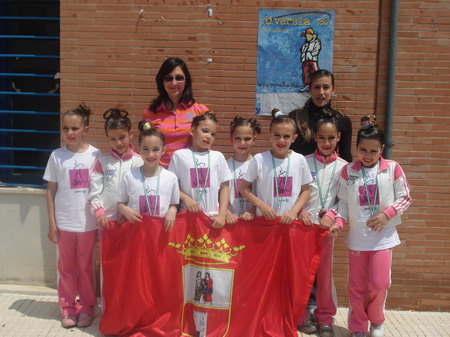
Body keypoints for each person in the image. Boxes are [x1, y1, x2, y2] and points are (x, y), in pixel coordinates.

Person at [334, 115, 412, 337]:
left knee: (379, 284)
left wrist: (387, 214)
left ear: (382, 149)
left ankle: (377, 321)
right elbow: (341, 202)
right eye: (363, 150)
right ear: (357, 148)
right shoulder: (348, 171)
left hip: (383, 238)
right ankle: (358, 326)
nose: (367, 156)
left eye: (373, 151)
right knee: (356, 287)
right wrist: (339, 221)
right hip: (358, 239)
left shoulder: (393, 168)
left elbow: (405, 197)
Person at [43, 104, 101, 328]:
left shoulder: (95, 154)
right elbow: (51, 191)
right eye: (66, 128)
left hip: (87, 223)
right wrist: (52, 223)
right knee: (66, 267)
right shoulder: (57, 156)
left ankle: (87, 307)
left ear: (86, 129)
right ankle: (67, 307)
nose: (70, 133)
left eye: (75, 128)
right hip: (64, 223)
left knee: (85, 266)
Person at [297, 113, 348, 337]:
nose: (326, 143)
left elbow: (344, 200)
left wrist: (333, 215)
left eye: (331, 138)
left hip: (326, 230)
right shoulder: (302, 162)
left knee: (324, 276)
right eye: (321, 138)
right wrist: (299, 211)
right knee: (301, 273)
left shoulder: (345, 167)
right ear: (314, 138)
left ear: (338, 137)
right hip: (303, 227)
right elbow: (294, 194)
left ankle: (325, 316)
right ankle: (301, 314)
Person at [239, 115, 312, 224]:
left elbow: (306, 190)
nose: (281, 140)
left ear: (294, 138)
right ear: (270, 136)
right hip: (264, 222)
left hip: (289, 223)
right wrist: (261, 205)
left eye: (286, 136)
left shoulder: (299, 159)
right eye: (277, 135)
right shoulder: (260, 159)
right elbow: (243, 187)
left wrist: (294, 211)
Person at [168, 111, 231, 228]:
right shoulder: (179, 155)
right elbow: (171, 185)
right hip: (187, 218)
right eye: (205, 131)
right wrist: (185, 198)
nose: (209, 136)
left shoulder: (218, 156)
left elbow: (224, 187)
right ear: (192, 130)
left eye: (213, 134)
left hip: (212, 219)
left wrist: (222, 214)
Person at [143, 57, 209, 167]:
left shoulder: (201, 111)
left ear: (186, 80)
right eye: (168, 78)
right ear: (162, 82)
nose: (174, 83)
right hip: (161, 174)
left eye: (179, 78)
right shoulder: (150, 113)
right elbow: (146, 146)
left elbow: (207, 144)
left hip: (192, 171)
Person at [117, 121, 179, 231]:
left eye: (155, 149)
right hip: (136, 232)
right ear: (139, 150)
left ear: (163, 150)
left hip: (160, 233)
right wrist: (126, 210)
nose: (150, 154)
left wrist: (172, 211)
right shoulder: (129, 176)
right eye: (145, 149)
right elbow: (120, 204)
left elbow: (174, 204)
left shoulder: (171, 178)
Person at [88, 108, 143, 227]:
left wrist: (129, 211)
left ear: (131, 134)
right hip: (107, 222)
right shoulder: (102, 161)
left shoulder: (140, 161)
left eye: (122, 137)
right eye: (112, 139)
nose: (118, 143)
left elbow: (142, 192)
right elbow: (94, 191)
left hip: (131, 222)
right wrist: (99, 213)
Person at [289, 69, 353, 163]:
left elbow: (346, 157)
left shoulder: (342, 120)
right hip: (300, 174)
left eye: (326, 87)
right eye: (316, 87)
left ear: (333, 90)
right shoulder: (295, 117)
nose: (321, 92)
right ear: (310, 89)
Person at [225, 116, 261, 224]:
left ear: (254, 139)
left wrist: (253, 210)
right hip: (231, 222)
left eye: (247, 139)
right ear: (231, 138)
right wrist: (226, 212)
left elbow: (263, 194)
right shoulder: (224, 165)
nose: (242, 143)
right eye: (238, 138)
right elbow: (220, 194)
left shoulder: (260, 164)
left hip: (254, 222)